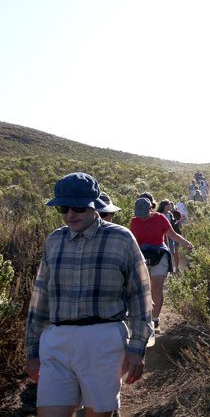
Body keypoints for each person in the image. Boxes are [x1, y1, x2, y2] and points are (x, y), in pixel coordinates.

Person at [25, 172, 152, 417]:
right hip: (56, 340)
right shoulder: (54, 240)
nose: (70, 214)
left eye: (78, 208)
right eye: (63, 208)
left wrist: (137, 349)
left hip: (102, 339)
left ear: (94, 206)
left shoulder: (121, 238)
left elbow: (140, 296)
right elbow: (40, 299)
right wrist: (32, 351)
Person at [130, 197, 193, 332]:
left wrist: (184, 242)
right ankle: (144, 318)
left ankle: (155, 319)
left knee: (157, 286)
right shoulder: (134, 222)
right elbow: (132, 241)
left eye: (145, 214)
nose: (142, 217)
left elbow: (172, 234)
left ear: (151, 209)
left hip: (159, 255)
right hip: (142, 257)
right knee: (143, 289)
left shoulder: (160, 218)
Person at [155, 200, 181, 273]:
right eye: (169, 204)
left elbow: (172, 225)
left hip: (170, 235)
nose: (170, 206)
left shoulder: (170, 215)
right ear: (165, 206)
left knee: (172, 252)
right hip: (162, 236)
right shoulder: (159, 215)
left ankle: (170, 269)